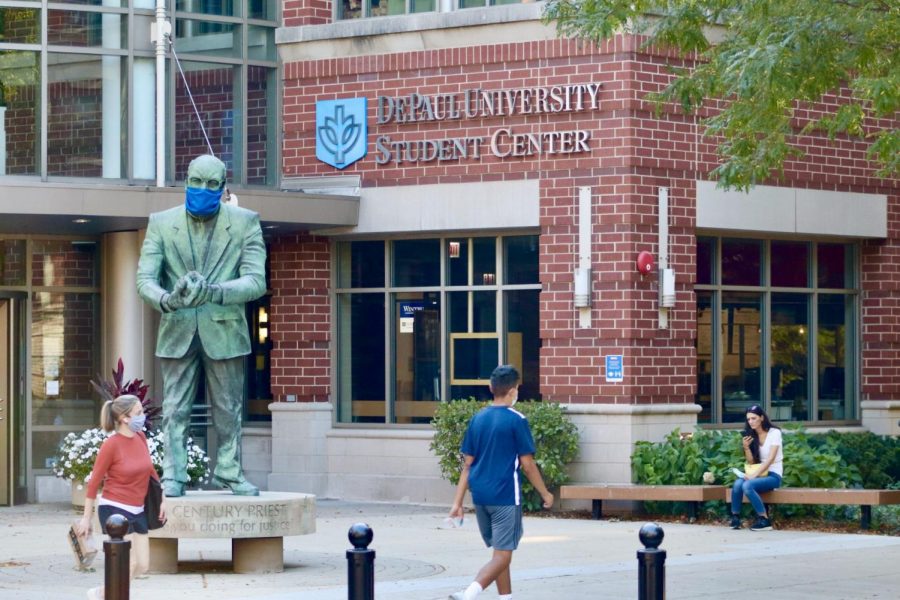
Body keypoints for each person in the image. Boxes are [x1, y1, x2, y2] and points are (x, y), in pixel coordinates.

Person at [136, 154, 266, 497]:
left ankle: (230, 471)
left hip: (224, 328)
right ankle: (174, 476)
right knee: (175, 408)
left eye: (211, 184)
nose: (202, 189)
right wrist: (168, 300)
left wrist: (216, 291)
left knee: (229, 409)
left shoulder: (245, 222)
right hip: (177, 327)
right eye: (196, 182)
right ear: (186, 182)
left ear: (224, 188)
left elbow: (256, 282)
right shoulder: (161, 222)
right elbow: (145, 280)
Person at [447, 365, 554, 600]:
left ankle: (506, 598)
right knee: (503, 555)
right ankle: (469, 593)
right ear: (514, 390)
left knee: (499, 552)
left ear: (490, 388)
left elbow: (467, 464)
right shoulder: (517, 420)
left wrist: (457, 503)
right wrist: (545, 493)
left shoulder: (478, 419)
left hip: (481, 496)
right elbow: (527, 464)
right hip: (506, 495)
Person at [75, 395, 167, 599]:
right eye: (139, 413)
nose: (142, 416)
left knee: (143, 565)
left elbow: (150, 471)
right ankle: (115, 595)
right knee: (129, 562)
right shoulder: (111, 445)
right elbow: (93, 483)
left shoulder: (140, 437)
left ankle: (103, 593)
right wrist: (86, 518)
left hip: (138, 509)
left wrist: (163, 498)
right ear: (125, 418)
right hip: (115, 509)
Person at [730, 404, 783, 531]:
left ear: (762, 418)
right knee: (738, 484)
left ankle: (764, 520)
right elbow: (752, 462)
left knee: (747, 485)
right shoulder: (751, 435)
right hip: (759, 473)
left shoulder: (774, 433)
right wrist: (746, 447)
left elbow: (770, 459)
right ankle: (735, 518)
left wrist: (754, 475)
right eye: (748, 419)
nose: (751, 422)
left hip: (773, 475)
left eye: (754, 418)